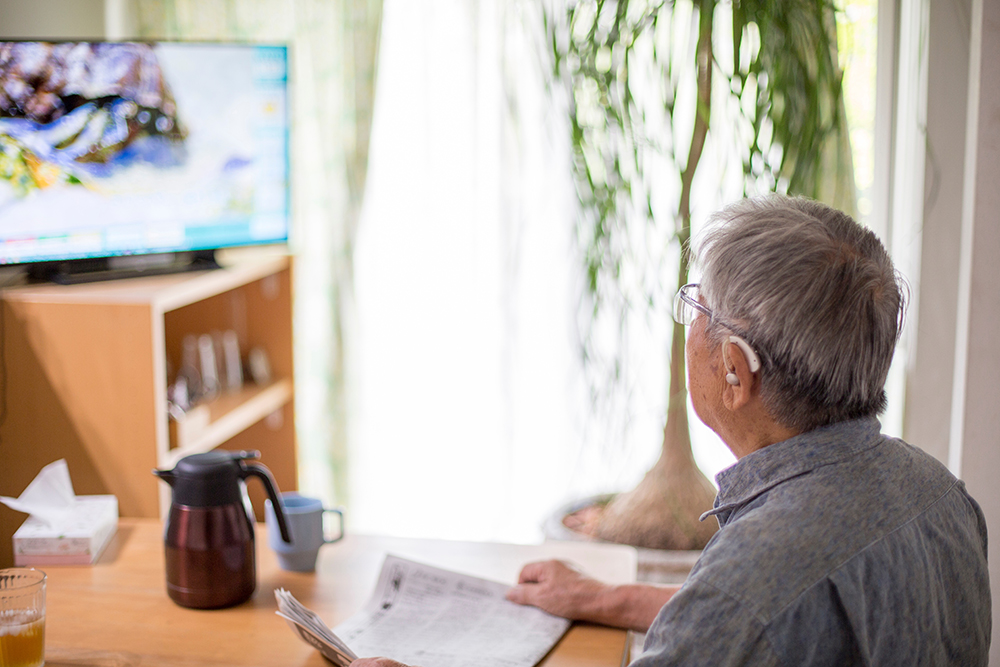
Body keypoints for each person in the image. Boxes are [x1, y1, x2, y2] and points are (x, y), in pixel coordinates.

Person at [351, 195, 991, 667]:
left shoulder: (752, 579)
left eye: (697, 305)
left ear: (735, 370)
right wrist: (605, 598)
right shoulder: (942, 495)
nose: (689, 323)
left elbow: (751, 607)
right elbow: (779, 625)